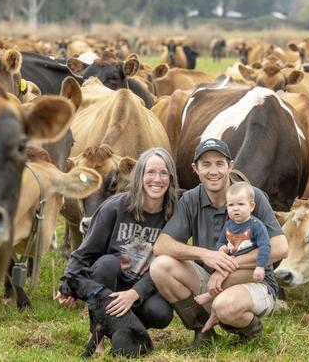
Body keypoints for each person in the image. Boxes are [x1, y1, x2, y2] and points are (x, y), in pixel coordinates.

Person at [150, 138, 288, 352]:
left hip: (254, 280)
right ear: (195, 169)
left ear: (230, 166)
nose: (213, 171)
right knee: (160, 266)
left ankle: (251, 329)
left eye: (219, 163)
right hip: (210, 280)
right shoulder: (190, 200)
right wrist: (205, 255)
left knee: (224, 306)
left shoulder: (252, 197)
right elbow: (161, 246)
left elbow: (280, 248)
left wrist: (228, 265)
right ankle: (202, 332)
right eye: (205, 164)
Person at [54, 147, 178, 349]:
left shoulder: (173, 213)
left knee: (161, 313)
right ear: (139, 176)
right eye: (150, 172)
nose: (157, 179)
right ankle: (98, 336)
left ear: (171, 179)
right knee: (106, 264)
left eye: (163, 173)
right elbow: (85, 252)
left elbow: (166, 265)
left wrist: (135, 293)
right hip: (111, 284)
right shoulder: (115, 206)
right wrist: (69, 284)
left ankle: (126, 325)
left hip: (143, 288)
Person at [194, 181, 271, 333]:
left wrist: (260, 266)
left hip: (249, 268)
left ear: (252, 206)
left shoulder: (256, 225)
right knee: (225, 275)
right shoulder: (229, 225)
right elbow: (222, 242)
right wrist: (221, 248)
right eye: (231, 205)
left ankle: (209, 297)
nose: (235, 209)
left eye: (241, 204)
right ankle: (214, 315)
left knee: (226, 277)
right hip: (232, 264)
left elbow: (265, 247)